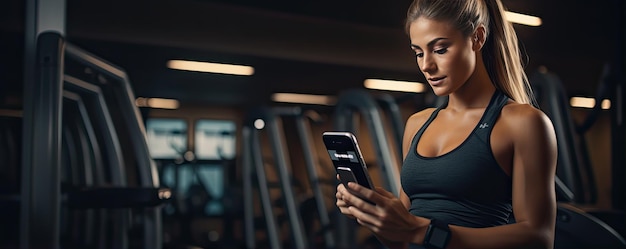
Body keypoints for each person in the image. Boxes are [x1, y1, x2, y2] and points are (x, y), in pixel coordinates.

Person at [335, 0, 558, 248]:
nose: (426, 65)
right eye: (419, 53)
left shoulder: (523, 123)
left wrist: (426, 232)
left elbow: (539, 238)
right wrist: (374, 217)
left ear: (477, 38)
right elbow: (403, 240)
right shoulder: (417, 124)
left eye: (440, 49)